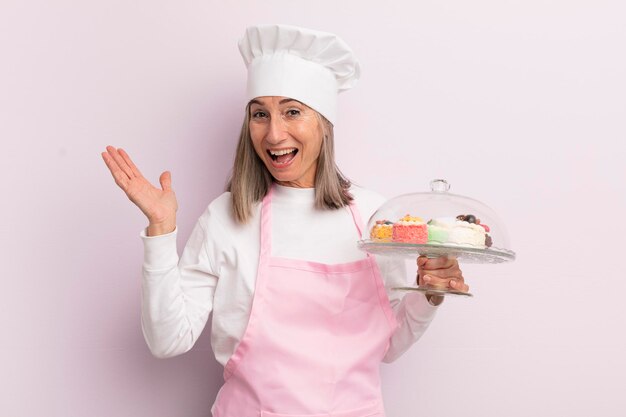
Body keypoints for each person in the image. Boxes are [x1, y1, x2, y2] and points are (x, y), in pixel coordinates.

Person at [101, 24, 469, 417]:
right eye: (260, 114)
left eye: (292, 111)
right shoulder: (226, 217)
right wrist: (161, 229)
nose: (274, 133)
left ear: (323, 123)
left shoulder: (377, 218)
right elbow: (167, 340)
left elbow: (389, 347)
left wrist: (429, 296)